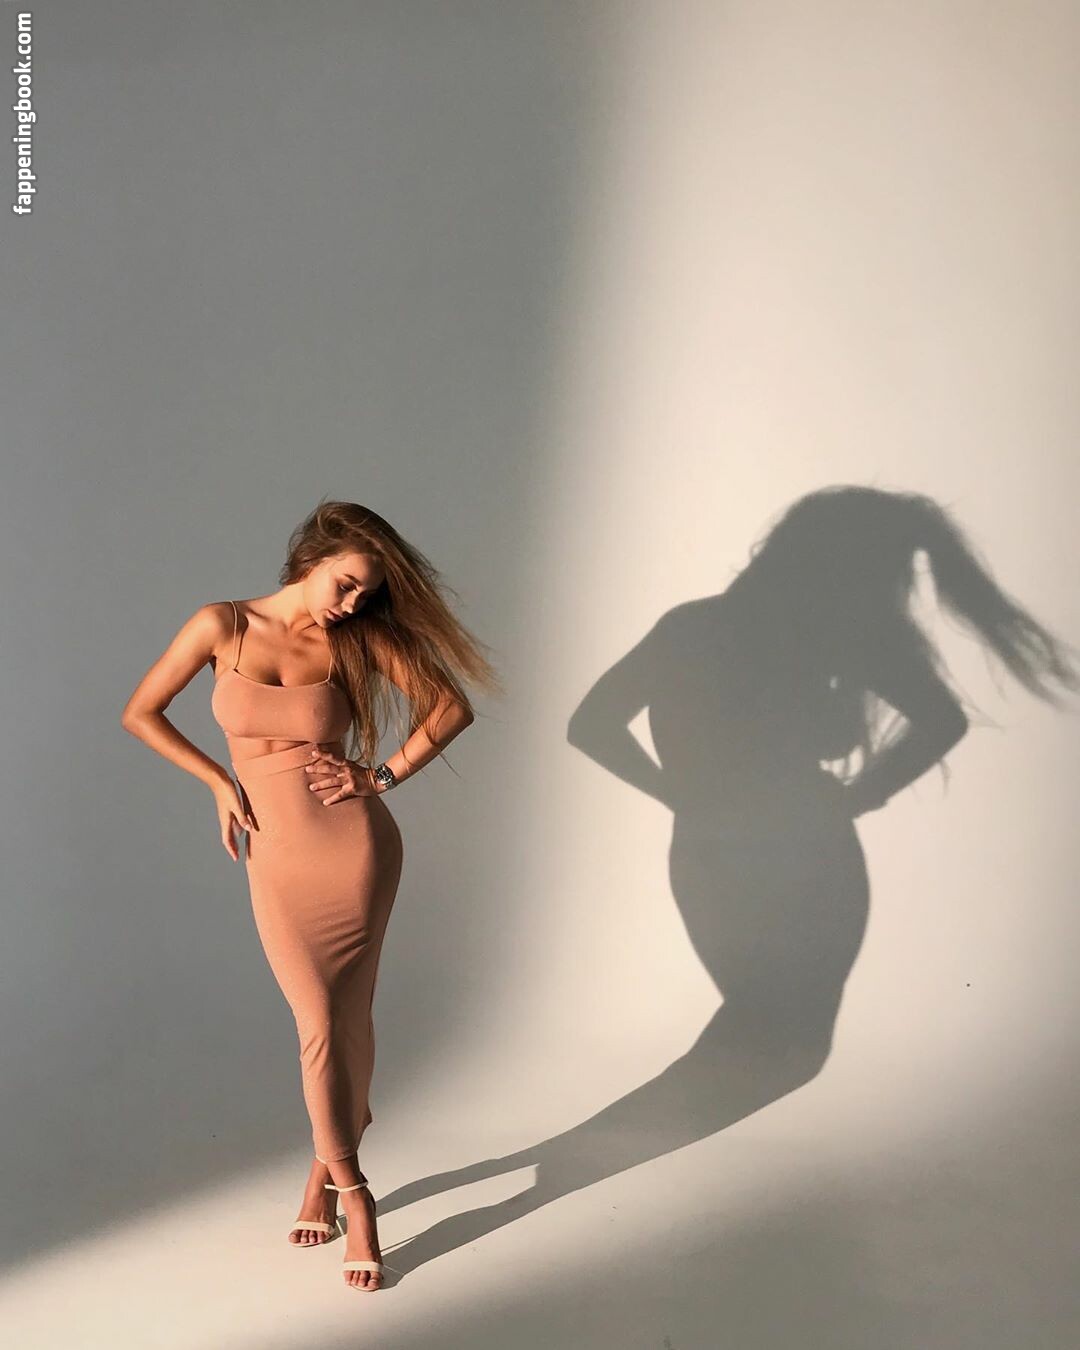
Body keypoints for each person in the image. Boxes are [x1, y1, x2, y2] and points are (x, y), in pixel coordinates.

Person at [121, 499, 501, 1290]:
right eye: (346, 584)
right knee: (323, 1021)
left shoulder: (355, 639)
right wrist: (217, 781)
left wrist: (379, 776)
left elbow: (451, 707)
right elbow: (141, 712)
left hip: (355, 848)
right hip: (276, 854)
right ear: (312, 557)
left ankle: (343, 1186)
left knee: (344, 1022)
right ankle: (341, 1180)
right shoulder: (221, 625)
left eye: (366, 594)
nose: (353, 603)